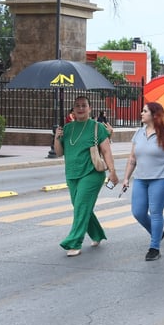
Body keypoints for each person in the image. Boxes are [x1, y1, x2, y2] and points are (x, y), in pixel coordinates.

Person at [54, 96, 119, 256]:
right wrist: (57, 136)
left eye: (84, 105)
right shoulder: (67, 129)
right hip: (72, 174)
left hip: (92, 174)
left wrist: (112, 171)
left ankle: (74, 242)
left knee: (82, 206)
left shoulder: (97, 127)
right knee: (80, 207)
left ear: (90, 108)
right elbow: (59, 152)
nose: (80, 108)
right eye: (77, 106)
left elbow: (106, 151)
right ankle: (97, 234)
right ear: (73, 110)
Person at [122, 102, 164, 261]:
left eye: (145, 111)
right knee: (138, 212)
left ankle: (154, 247)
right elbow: (132, 158)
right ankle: (158, 233)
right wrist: (126, 178)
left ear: (154, 115)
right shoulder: (138, 133)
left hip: (160, 179)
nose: (141, 113)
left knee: (155, 213)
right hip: (140, 179)